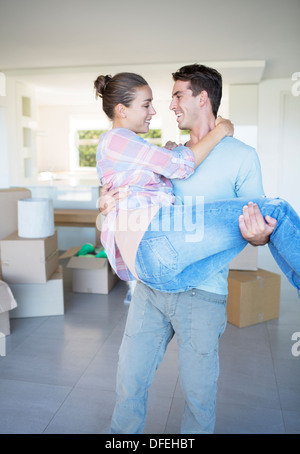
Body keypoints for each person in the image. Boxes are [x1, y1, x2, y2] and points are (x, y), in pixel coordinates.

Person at [95, 66, 300, 433]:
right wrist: (106, 202)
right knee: (129, 383)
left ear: (201, 98)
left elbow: (258, 232)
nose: (167, 106)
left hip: (202, 292)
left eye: (176, 96)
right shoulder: (168, 154)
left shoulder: (242, 156)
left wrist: (258, 236)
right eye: (158, 101)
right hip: (152, 289)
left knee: (198, 397)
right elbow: (132, 190)